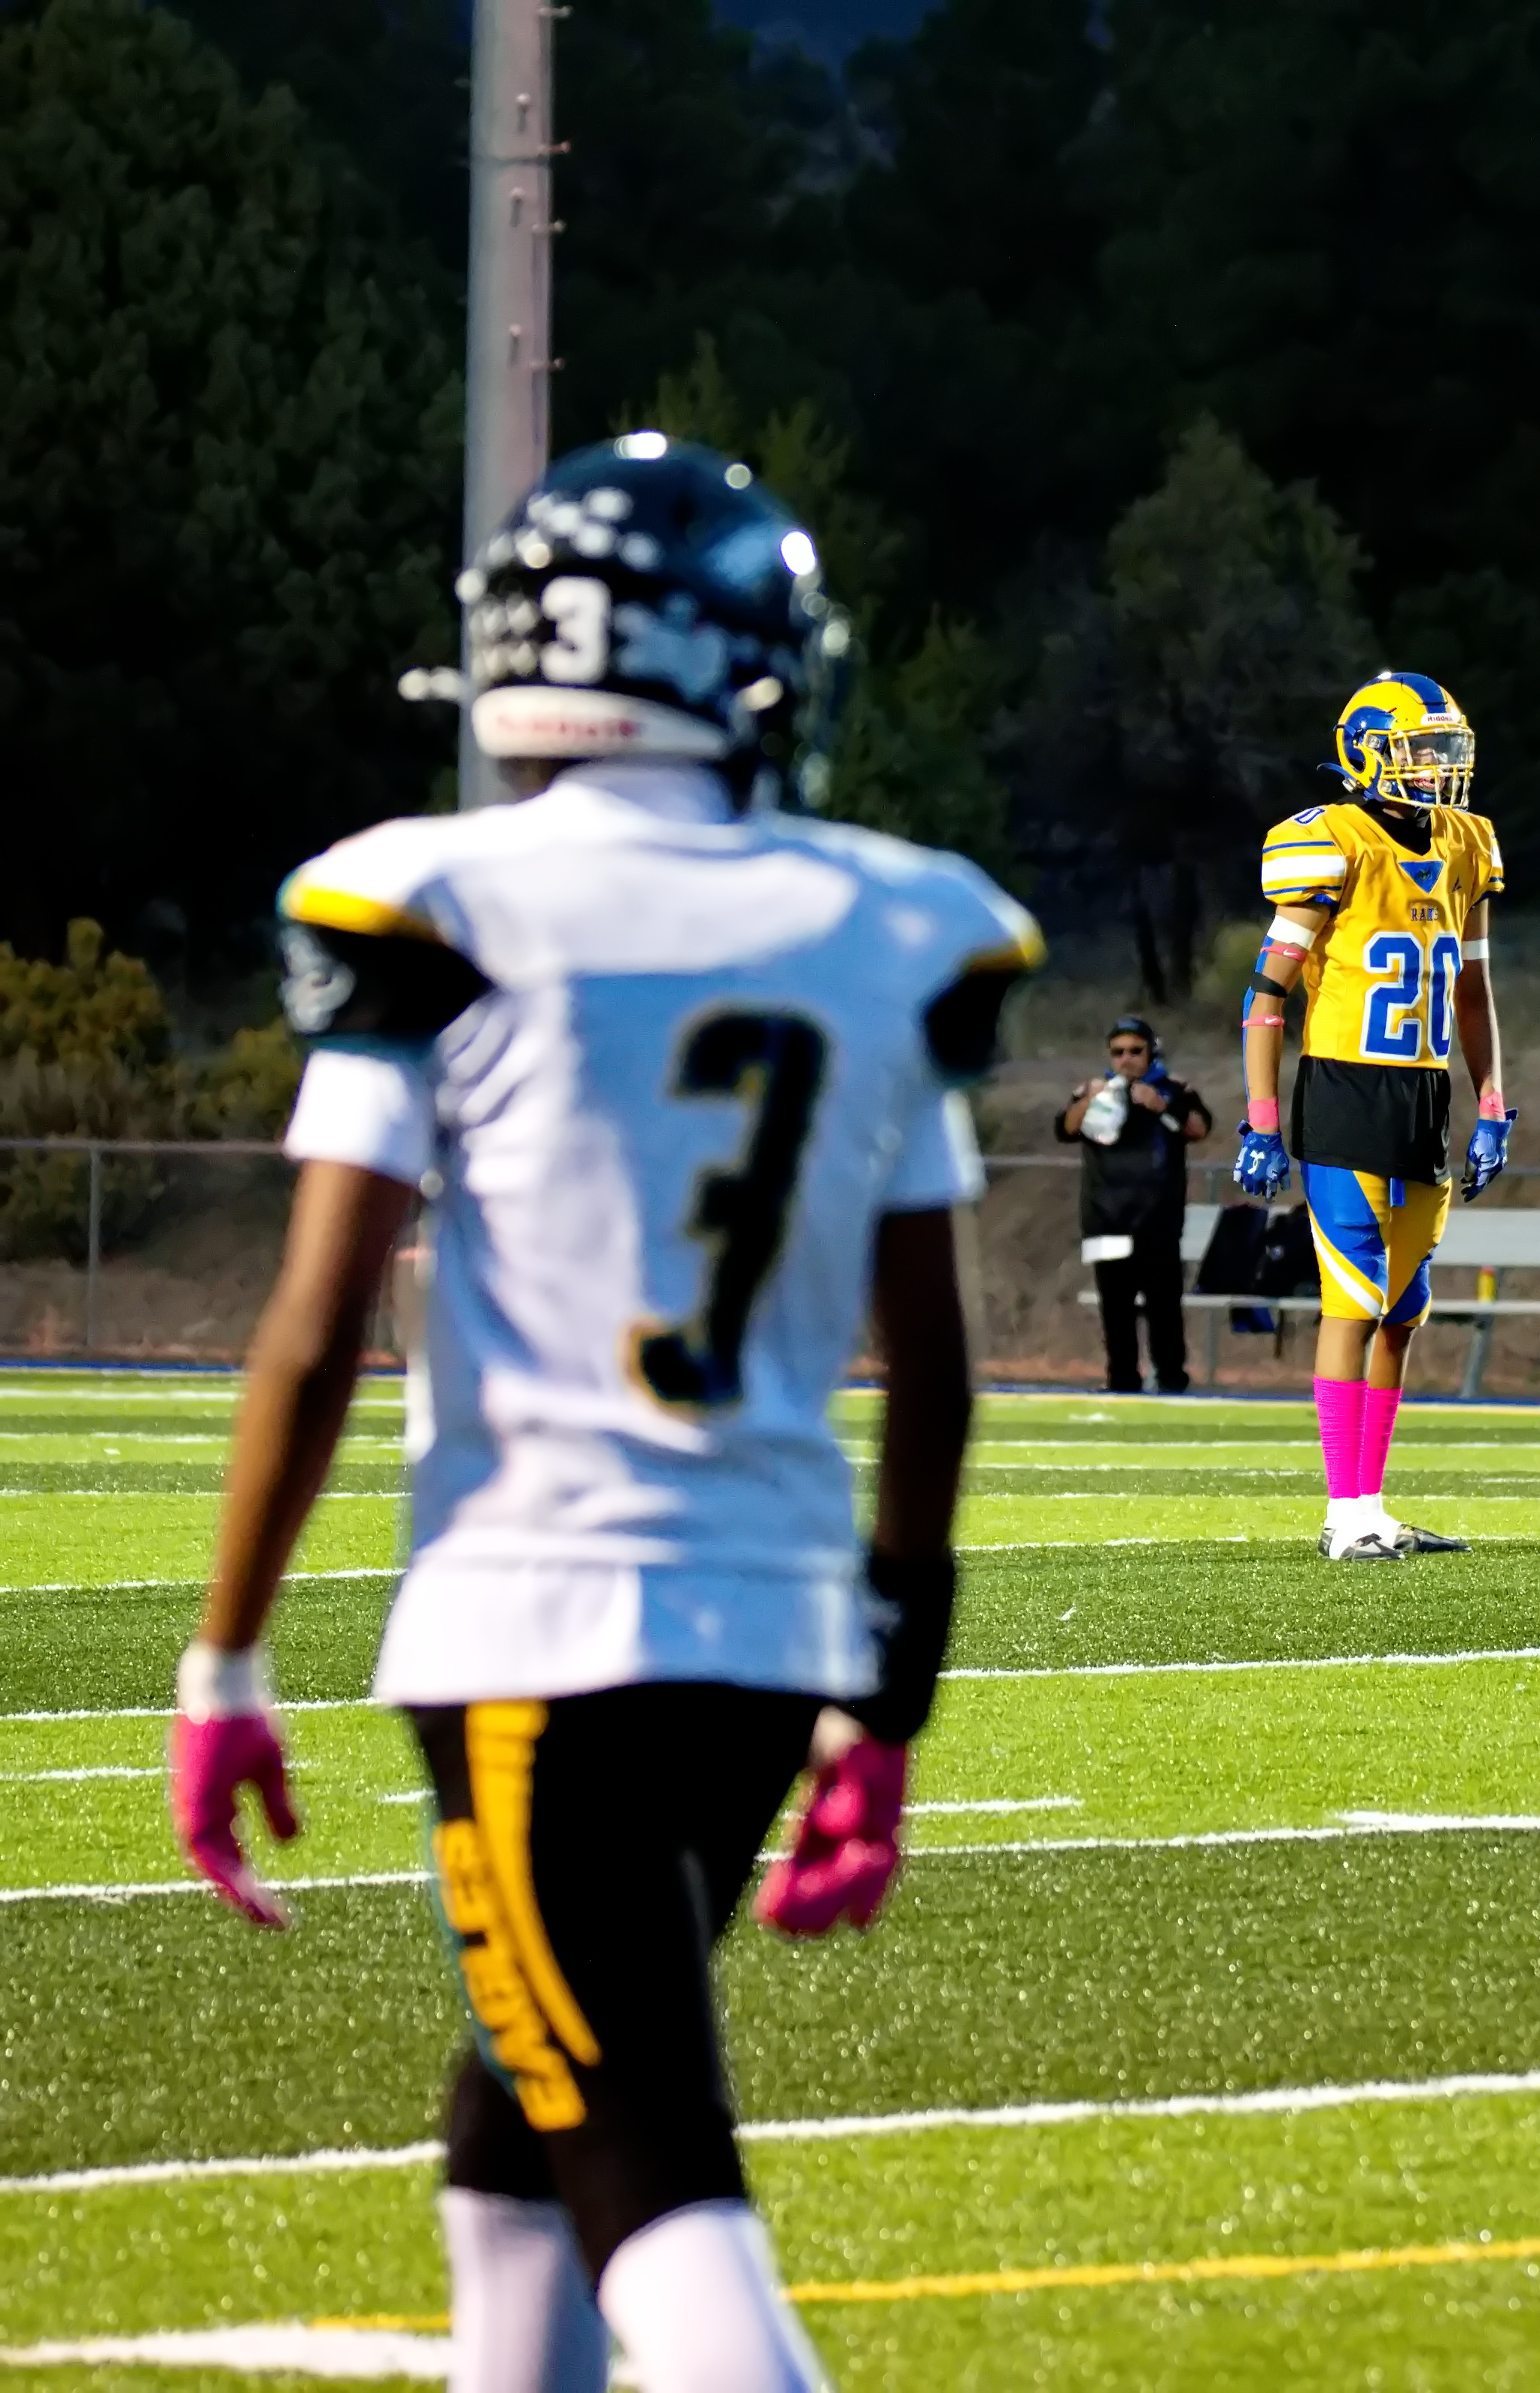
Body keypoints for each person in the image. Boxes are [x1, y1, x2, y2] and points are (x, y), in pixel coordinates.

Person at [166, 433, 1041, 2393]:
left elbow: (314, 1328)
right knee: (520, 2122)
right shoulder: (890, 919)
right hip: (771, 1637)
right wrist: (890, 1693)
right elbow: (935, 1368)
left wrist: (225, 1656)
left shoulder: (442, 902)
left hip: (536, 1629)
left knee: (650, 2179)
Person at [1233, 672, 1515, 1560]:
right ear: (1366, 754)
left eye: (1444, 752)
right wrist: (1260, 1120)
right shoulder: (1333, 840)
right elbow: (1266, 996)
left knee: (1402, 1308)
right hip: (1345, 1089)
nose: (1436, 769)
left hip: (1425, 1095)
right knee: (1351, 1301)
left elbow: (1472, 991)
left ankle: (1372, 1505)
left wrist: (1492, 1103)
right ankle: (1341, 1513)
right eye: (1420, 752)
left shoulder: (1465, 843)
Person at [1056, 1016, 1212, 1393]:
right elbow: (1066, 1129)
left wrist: (1161, 1105)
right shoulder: (1095, 1091)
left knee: (1163, 1302)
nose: (1126, 1059)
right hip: (1105, 1216)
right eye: (1118, 1052)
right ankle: (1122, 1378)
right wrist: (1089, 1098)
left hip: (1158, 1217)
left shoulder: (1173, 1089)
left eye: (1135, 1051)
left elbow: (1200, 1129)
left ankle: (1171, 1377)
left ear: (1150, 1053)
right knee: (1115, 1303)